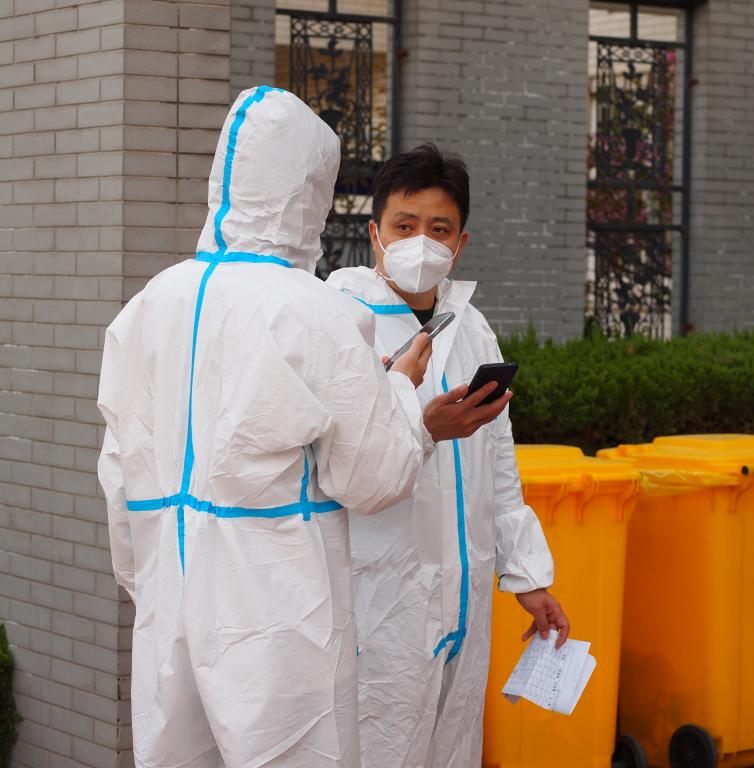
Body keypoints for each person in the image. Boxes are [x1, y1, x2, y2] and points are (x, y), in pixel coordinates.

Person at [97, 88, 439, 767]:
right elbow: (373, 477)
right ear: (309, 191)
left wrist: (152, 582)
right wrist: (399, 389)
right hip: (280, 612)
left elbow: (118, 472)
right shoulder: (314, 311)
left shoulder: (149, 304)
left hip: (169, 598)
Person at [326, 144, 569, 768]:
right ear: (374, 234)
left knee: (454, 747)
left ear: (461, 243)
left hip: (464, 598)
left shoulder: (472, 329)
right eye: (405, 225)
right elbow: (339, 467)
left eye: (439, 229)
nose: (421, 243)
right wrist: (422, 428)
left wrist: (527, 577)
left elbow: (499, 464)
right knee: (378, 749)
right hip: (380, 602)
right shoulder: (339, 324)